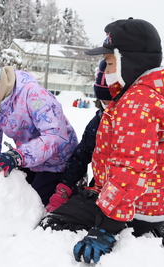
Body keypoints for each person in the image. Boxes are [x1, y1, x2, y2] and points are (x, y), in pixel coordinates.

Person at [39, 18, 164, 264]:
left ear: (129, 61)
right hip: (147, 202)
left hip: (130, 209)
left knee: (52, 223)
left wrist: (107, 227)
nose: (106, 72)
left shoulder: (137, 102)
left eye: (109, 63)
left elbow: (131, 168)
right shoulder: (150, 96)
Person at [0, 48, 78, 206]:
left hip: (58, 162)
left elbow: (55, 136)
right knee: (13, 201)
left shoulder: (32, 94)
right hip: (28, 160)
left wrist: (18, 156)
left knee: (34, 206)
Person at [44, 59, 111, 213]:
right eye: (103, 101)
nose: (107, 106)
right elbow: (82, 155)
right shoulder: (98, 122)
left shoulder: (134, 124)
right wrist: (65, 187)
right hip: (99, 188)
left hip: (126, 197)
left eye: (110, 100)